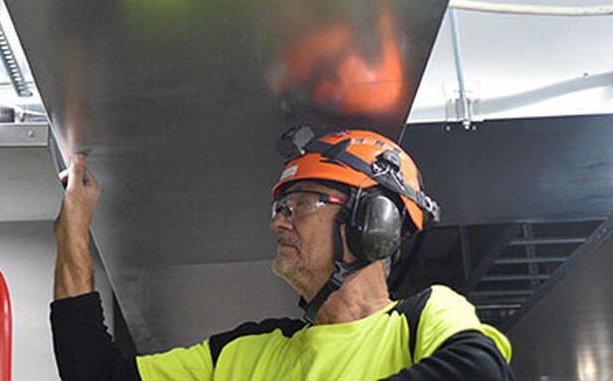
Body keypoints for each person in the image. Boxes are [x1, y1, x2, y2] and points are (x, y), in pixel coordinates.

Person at [50, 127, 514, 380]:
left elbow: (479, 370)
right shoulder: (243, 354)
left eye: (301, 205)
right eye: (280, 207)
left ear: (372, 223)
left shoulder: (422, 318)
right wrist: (73, 232)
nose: (278, 221)